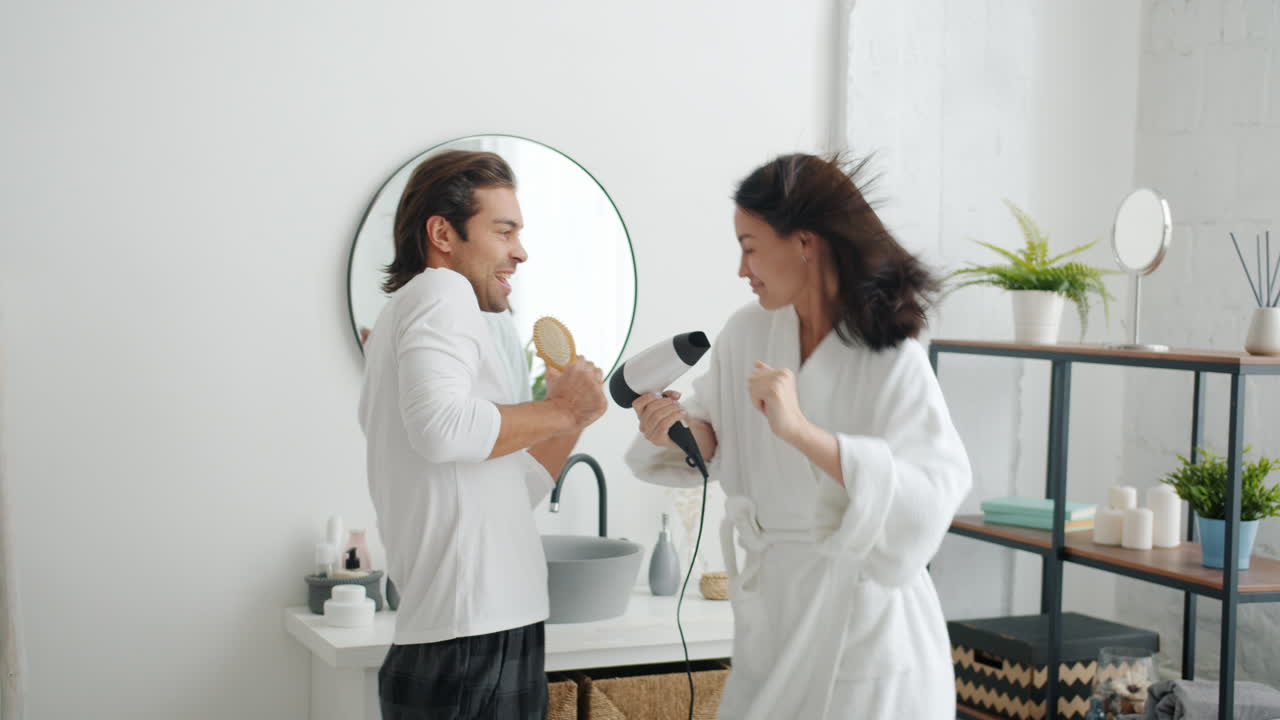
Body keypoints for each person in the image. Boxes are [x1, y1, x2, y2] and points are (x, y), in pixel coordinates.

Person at [625, 153, 971, 719]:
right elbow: (719, 437)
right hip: (774, 616)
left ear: (804, 244)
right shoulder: (748, 331)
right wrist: (678, 431)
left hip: (864, 626)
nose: (742, 269)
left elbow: (931, 493)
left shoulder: (891, 356)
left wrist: (801, 431)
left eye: (751, 246)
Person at [359, 150, 608, 720]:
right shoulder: (440, 293)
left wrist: (572, 418)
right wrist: (563, 410)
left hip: (475, 630)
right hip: (472, 635)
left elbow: (510, 489)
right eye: (505, 231)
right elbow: (443, 431)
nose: (520, 251)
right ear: (443, 233)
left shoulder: (415, 311)